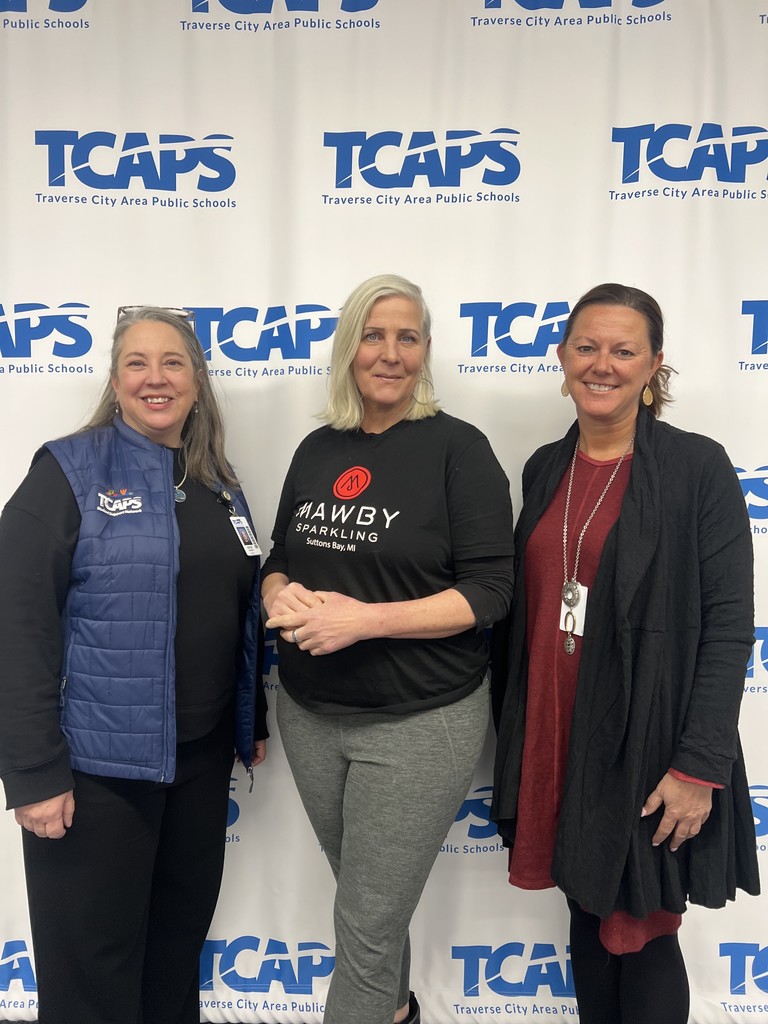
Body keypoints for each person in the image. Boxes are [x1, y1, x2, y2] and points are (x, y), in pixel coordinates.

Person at [491, 283, 759, 1024]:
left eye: (623, 350)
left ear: (654, 365)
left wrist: (698, 765)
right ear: (562, 356)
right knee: (585, 912)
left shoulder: (695, 468)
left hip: (651, 741)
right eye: (587, 347)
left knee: (639, 927)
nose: (601, 364)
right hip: (559, 730)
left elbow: (730, 624)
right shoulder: (545, 468)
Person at [0, 306, 267, 1024]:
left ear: (197, 378)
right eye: (137, 363)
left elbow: (237, 612)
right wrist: (33, 772)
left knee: (175, 955)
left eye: (173, 362)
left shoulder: (217, 481)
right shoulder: (68, 470)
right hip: (95, 773)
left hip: (199, 765)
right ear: (115, 381)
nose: (156, 377)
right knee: (93, 977)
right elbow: (17, 623)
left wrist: (252, 720)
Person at [261, 274, 515, 1024]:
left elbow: (489, 593)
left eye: (408, 337)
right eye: (374, 335)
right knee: (366, 904)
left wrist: (365, 621)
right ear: (349, 349)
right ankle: (397, 1011)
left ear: (427, 351)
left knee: (366, 929)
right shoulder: (317, 448)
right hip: (310, 715)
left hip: (419, 722)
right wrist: (278, 594)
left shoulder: (457, 449)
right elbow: (279, 557)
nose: (390, 352)